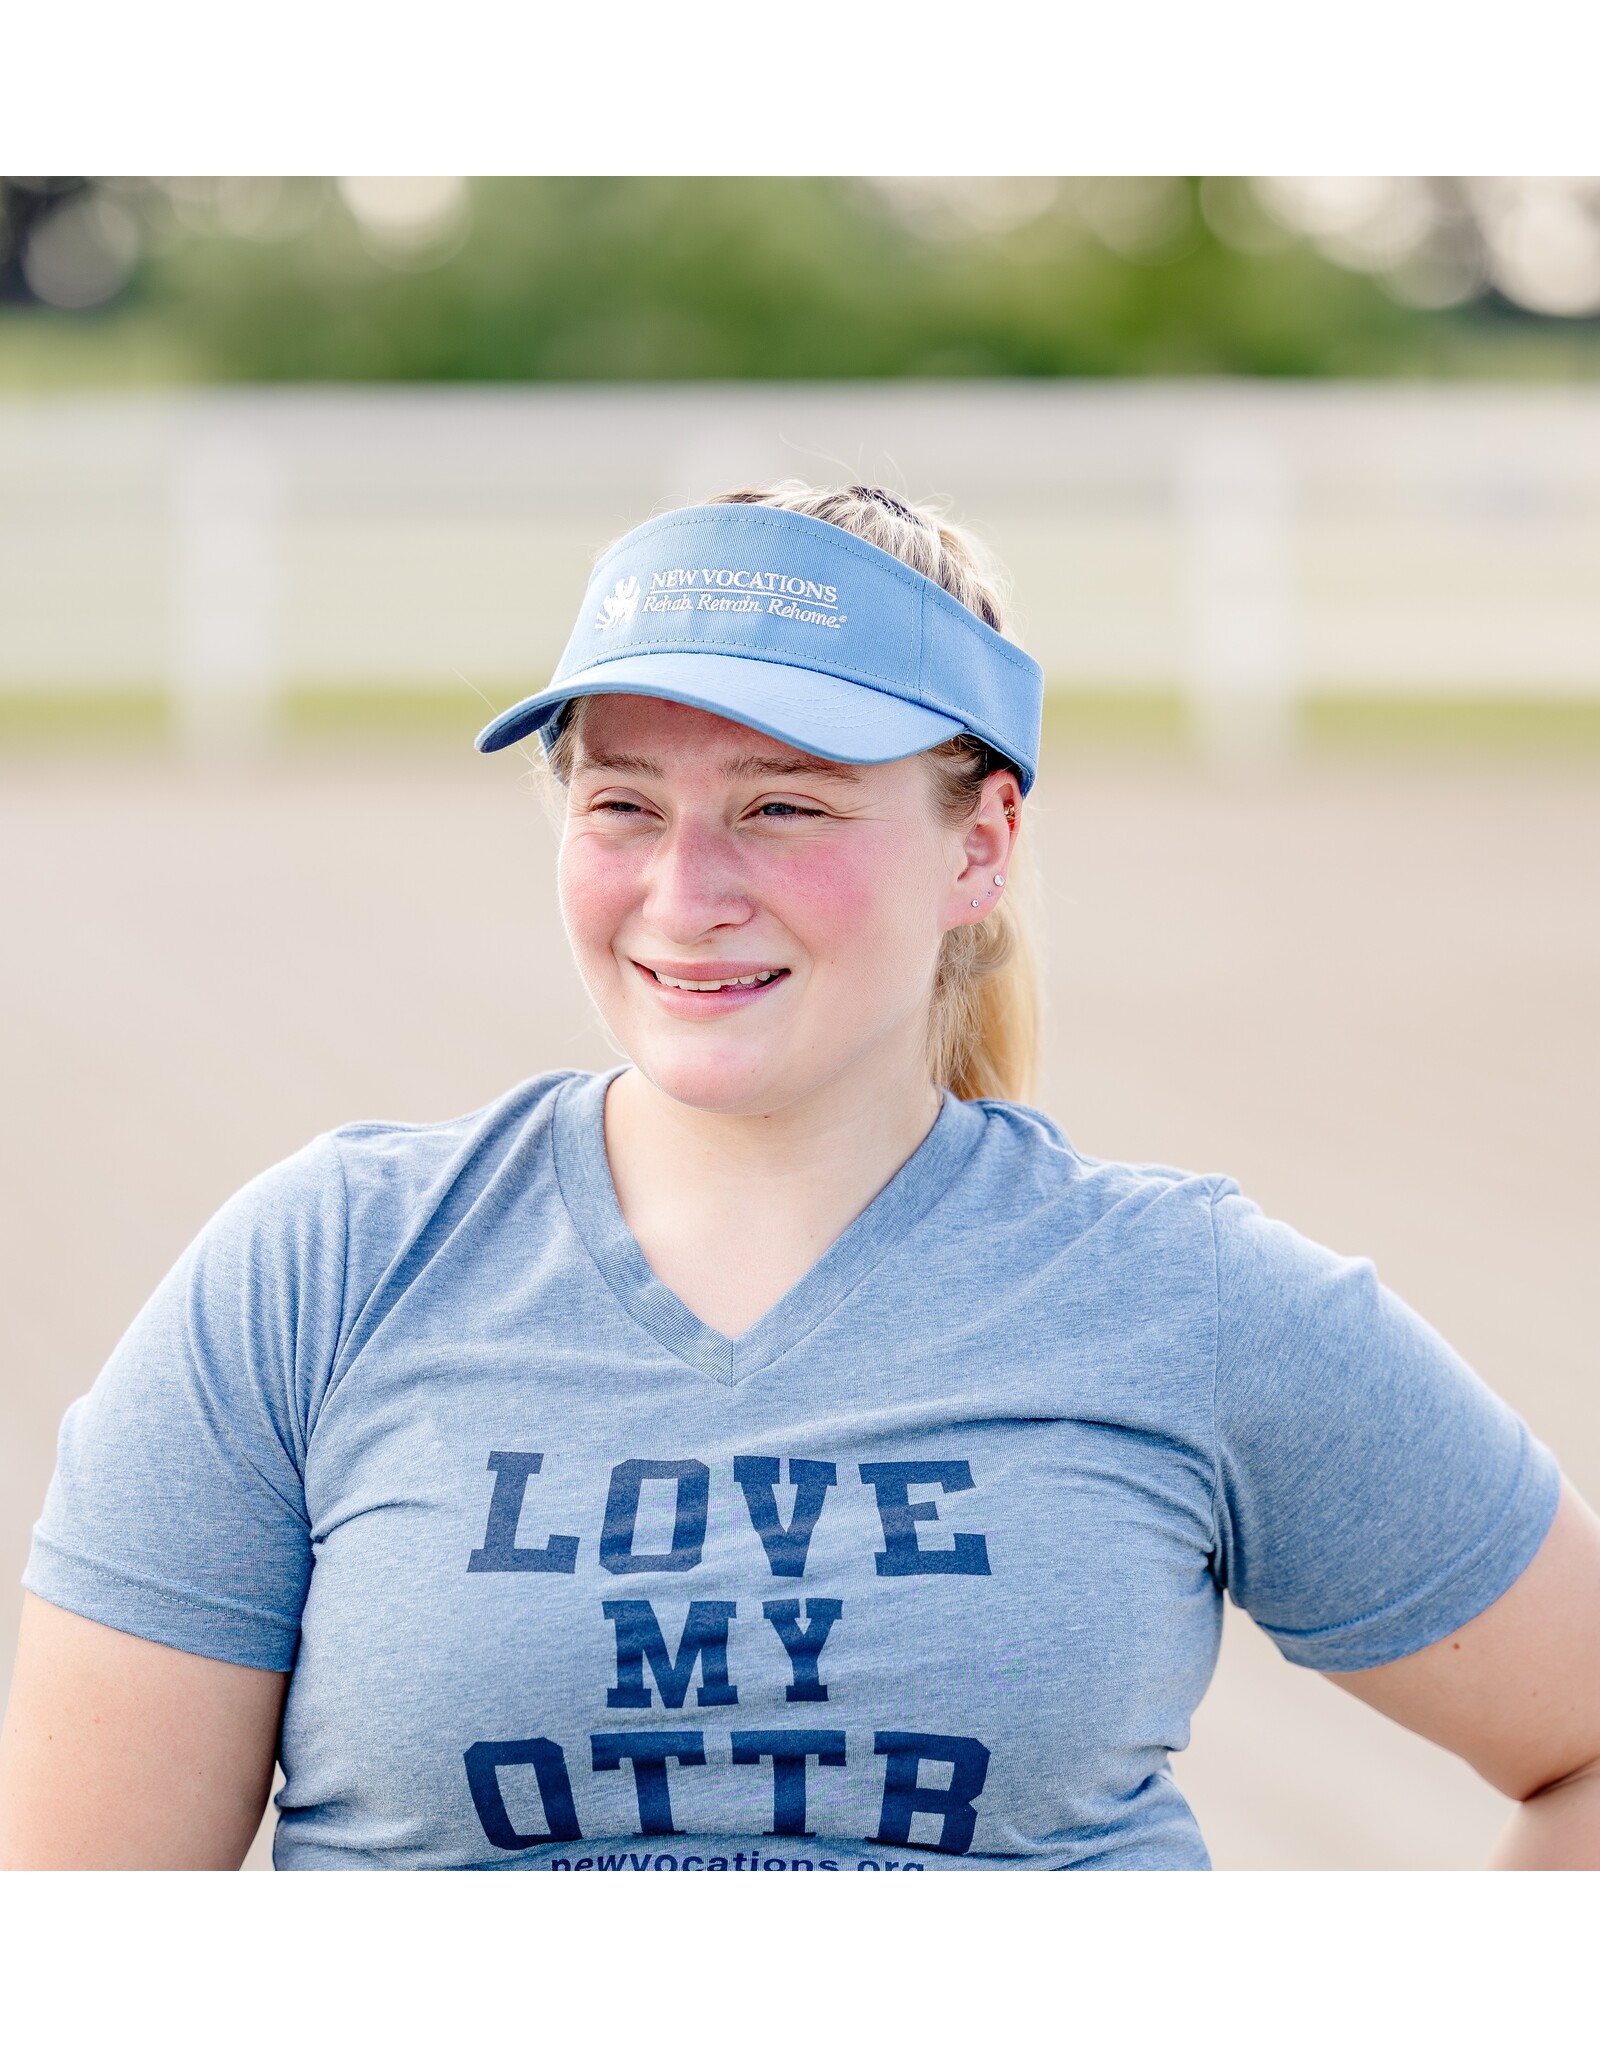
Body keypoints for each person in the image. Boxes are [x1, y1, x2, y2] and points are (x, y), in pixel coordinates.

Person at [2, 481, 1597, 1872]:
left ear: (980, 846)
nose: (687, 895)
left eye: (782, 808)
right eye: (623, 803)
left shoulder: (1186, 1298)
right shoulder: (323, 1272)